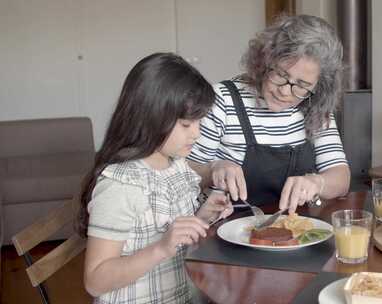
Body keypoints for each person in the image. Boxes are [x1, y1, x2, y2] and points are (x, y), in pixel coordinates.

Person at [78, 53, 232, 304]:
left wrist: (202, 217)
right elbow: (95, 281)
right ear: (151, 116)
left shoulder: (175, 164)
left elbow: (170, 230)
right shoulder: (121, 186)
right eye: (186, 125)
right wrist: (160, 248)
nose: (196, 133)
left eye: (198, 123)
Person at [188, 14, 350, 213]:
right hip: (228, 230)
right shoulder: (222, 100)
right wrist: (214, 169)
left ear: (319, 86)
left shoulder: (315, 105)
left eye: (302, 85)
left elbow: (341, 177)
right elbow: (184, 173)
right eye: (281, 75)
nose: (285, 91)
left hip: (296, 231)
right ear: (265, 61)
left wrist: (317, 182)